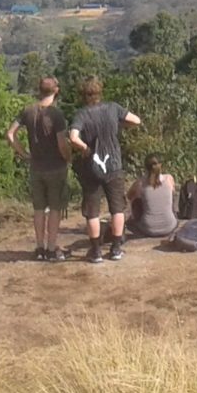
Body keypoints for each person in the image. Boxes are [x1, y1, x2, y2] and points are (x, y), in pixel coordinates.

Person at [66, 77, 141, 263]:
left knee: (92, 211)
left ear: (83, 95)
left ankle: (96, 251)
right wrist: (119, 126)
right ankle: (116, 248)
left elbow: (73, 137)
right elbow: (136, 121)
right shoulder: (113, 108)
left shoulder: (82, 114)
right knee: (117, 208)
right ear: (100, 92)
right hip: (114, 165)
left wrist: (84, 148)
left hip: (92, 168)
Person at [7, 76, 71, 261]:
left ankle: (40, 248)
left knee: (39, 209)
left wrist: (24, 154)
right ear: (56, 90)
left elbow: (10, 134)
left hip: (36, 167)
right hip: (56, 167)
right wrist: (68, 157)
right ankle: (52, 248)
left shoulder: (28, 111)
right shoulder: (56, 114)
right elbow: (61, 143)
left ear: (39, 90)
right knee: (55, 208)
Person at [126, 155, 178, 238]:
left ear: (146, 167)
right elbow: (172, 193)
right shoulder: (169, 178)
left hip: (148, 229)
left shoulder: (140, 183)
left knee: (136, 201)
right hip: (170, 226)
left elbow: (129, 196)